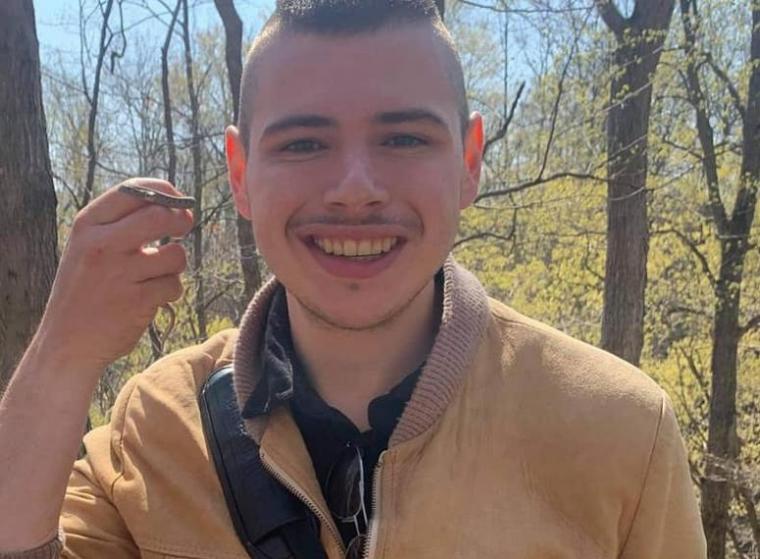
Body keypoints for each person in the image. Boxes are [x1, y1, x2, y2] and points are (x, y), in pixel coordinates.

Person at [0, 1, 707, 557]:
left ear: (469, 161)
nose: (355, 189)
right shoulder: (153, 426)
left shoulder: (621, 432)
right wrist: (62, 355)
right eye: (304, 142)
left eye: (403, 138)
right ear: (241, 175)